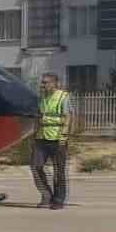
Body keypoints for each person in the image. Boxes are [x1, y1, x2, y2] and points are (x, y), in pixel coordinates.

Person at [31, 72, 73, 210]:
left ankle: (58, 200)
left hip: (57, 138)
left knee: (58, 171)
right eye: (42, 82)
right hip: (41, 138)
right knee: (36, 166)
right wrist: (35, 134)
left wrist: (64, 135)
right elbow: (39, 116)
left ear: (55, 83)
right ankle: (46, 196)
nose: (43, 85)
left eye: (46, 82)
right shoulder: (41, 97)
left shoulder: (63, 96)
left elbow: (68, 117)